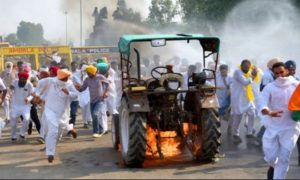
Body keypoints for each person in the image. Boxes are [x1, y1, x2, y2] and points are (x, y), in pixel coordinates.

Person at [259, 62, 300, 179]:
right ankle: (275, 168)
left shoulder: (297, 86)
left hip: (291, 128)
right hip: (273, 127)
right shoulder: (269, 88)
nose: (280, 76)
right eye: (276, 73)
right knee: (271, 158)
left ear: (286, 71)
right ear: (273, 74)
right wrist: (269, 112)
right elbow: (262, 104)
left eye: (282, 72)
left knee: (284, 157)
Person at [33, 69, 78, 163]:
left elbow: (76, 95)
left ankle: (53, 146)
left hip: (63, 113)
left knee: (59, 132)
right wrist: (36, 95)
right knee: (52, 131)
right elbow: (40, 84)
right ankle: (50, 153)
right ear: (60, 77)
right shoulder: (50, 81)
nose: (66, 79)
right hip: (50, 111)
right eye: (64, 78)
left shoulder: (69, 84)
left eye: (67, 78)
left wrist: (68, 93)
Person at [75, 65, 109, 138]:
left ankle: (95, 132)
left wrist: (106, 92)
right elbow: (82, 89)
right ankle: (101, 129)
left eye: (88, 72)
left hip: (100, 100)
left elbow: (107, 83)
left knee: (95, 114)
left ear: (92, 72)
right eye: (87, 73)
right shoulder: (87, 79)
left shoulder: (100, 77)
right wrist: (78, 88)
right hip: (92, 101)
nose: (87, 74)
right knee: (94, 117)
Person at [230, 59, 258, 143]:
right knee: (238, 117)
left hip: (247, 98)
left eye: (248, 67)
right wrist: (252, 76)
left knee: (252, 113)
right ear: (241, 66)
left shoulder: (248, 72)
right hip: (238, 99)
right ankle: (235, 133)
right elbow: (245, 82)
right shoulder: (237, 72)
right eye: (245, 67)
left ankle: (249, 132)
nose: (246, 69)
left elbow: (253, 81)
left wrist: (254, 73)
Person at [256, 58, 280, 142]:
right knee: (268, 120)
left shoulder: (271, 74)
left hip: (270, 100)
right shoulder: (267, 75)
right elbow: (265, 89)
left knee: (270, 120)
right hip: (267, 100)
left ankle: (261, 136)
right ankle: (260, 137)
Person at [10, 71, 33, 143]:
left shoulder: (29, 84)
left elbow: (32, 95)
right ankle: (13, 136)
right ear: (19, 78)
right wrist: (10, 88)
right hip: (15, 105)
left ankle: (22, 134)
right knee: (13, 122)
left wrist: (28, 99)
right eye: (21, 79)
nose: (22, 80)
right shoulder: (15, 82)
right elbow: (10, 90)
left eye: (24, 79)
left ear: (26, 79)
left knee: (26, 119)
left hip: (25, 106)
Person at [216, 64, 233, 133]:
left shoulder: (230, 78)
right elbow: (211, 84)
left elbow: (233, 86)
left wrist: (229, 88)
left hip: (227, 99)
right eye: (222, 71)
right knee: (217, 116)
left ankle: (229, 128)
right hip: (218, 99)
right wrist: (217, 87)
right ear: (220, 71)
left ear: (227, 70)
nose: (223, 73)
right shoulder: (216, 77)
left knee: (230, 116)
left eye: (225, 71)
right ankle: (217, 130)